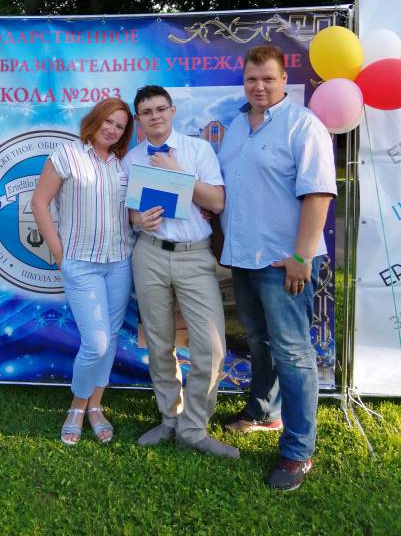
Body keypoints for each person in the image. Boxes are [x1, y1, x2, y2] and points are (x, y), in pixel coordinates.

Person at [218, 44, 337, 491]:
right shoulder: (236, 126)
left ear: (284, 79)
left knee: (293, 353)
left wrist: (302, 257)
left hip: (284, 261)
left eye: (268, 78)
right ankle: (265, 413)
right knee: (259, 342)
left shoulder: (304, 125)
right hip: (244, 257)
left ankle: (298, 451)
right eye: (252, 79)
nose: (259, 86)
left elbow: (319, 194)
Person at [123, 85, 239, 459]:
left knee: (211, 346)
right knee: (159, 343)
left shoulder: (198, 150)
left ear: (172, 111)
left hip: (195, 257)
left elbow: (217, 202)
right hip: (150, 254)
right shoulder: (131, 159)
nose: (155, 116)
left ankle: (194, 427)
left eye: (160, 109)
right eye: (146, 112)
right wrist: (136, 219)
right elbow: (127, 210)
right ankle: (170, 418)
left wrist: (178, 174)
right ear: (138, 119)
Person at [31, 97, 134, 446]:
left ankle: (96, 407)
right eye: (108, 121)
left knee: (111, 338)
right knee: (96, 343)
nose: (112, 130)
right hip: (82, 264)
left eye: (120, 126)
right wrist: (59, 251)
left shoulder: (123, 165)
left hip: (119, 262)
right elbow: (39, 202)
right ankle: (77, 406)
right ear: (95, 119)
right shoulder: (67, 154)